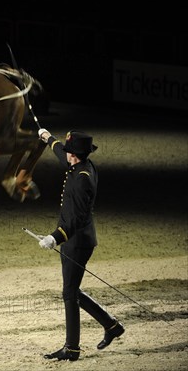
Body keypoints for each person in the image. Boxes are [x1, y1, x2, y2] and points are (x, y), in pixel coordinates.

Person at [36, 129, 125, 361]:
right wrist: (47, 138)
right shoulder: (80, 165)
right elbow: (60, 153)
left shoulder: (82, 179)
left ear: (75, 155)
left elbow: (76, 219)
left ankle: (72, 348)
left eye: (69, 153)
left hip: (77, 241)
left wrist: (55, 237)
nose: (66, 156)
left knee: (69, 293)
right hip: (75, 240)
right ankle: (111, 326)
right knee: (72, 290)